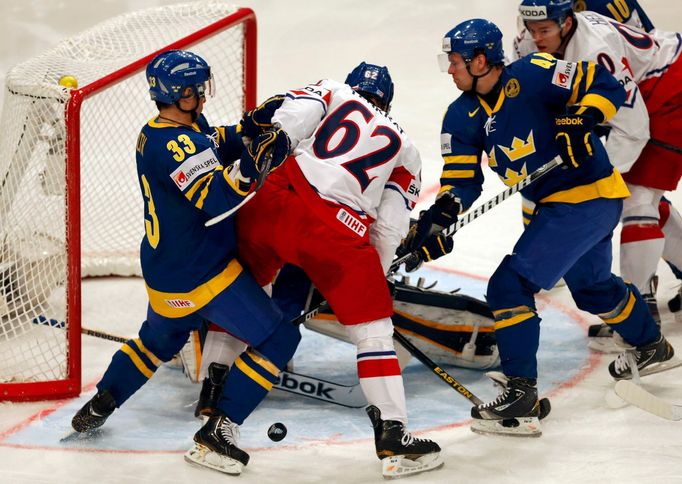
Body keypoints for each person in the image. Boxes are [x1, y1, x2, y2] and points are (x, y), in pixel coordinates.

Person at [405, 18, 677, 437]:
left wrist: (583, 117)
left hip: (589, 194)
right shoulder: (460, 116)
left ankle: (521, 395)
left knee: (508, 286)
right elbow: (461, 182)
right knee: (592, 287)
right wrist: (439, 217)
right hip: (558, 205)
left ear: (481, 60)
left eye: (456, 60)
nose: (449, 69)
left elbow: (604, 82)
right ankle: (650, 345)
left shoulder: (534, 73)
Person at [70, 50, 299, 475]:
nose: (203, 95)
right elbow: (216, 199)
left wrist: (248, 129)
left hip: (165, 272)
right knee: (280, 340)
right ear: (182, 93)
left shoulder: (163, 130)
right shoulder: (177, 143)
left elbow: (211, 144)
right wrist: (257, 164)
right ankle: (219, 431)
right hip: (203, 273)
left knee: (157, 342)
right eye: (197, 88)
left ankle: (103, 402)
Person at [226, 62, 446, 478]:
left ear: (353, 86)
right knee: (373, 330)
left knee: (241, 282)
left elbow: (289, 123)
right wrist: (368, 283)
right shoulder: (406, 150)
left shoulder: (332, 90)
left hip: (275, 200)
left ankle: (216, 381)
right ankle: (393, 437)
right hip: (336, 231)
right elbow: (388, 228)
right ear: (388, 103)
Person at [513, 0, 682, 328]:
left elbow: (633, 127)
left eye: (544, 30)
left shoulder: (595, 50)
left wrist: (601, 179)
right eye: (532, 29)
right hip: (640, 91)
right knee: (645, 199)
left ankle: (640, 308)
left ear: (565, 22)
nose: (537, 37)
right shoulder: (527, 42)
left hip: (670, 86)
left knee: (634, 198)